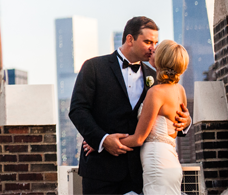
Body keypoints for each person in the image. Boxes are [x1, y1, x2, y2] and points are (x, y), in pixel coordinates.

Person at [69, 16, 191, 194]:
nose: (153, 48)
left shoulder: (157, 76)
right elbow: (78, 110)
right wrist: (102, 140)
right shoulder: (93, 67)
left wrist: (186, 122)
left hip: (140, 172)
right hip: (101, 170)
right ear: (130, 39)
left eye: (156, 43)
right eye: (148, 41)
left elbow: (168, 116)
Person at [119, 40, 189, 195]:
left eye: (156, 50)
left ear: (162, 59)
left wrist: (104, 141)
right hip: (171, 161)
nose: (152, 51)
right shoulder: (180, 90)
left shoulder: (156, 92)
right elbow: (181, 122)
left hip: (157, 161)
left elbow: (138, 139)